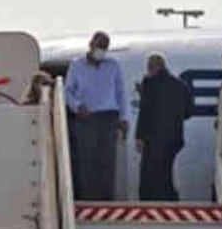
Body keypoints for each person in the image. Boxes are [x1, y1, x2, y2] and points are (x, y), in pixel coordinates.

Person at [65, 31, 129, 201]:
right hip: (86, 118)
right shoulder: (76, 65)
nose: (101, 50)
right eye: (99, 46)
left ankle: (107, 200)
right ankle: (88, 199)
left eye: (104, 47)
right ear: (91, 45)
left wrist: (124, 118)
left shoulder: (113, 65)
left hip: (109, 117)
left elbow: (121, 92)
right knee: (87, 161)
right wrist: (77, 106)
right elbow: (67, 91)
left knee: (107, 162)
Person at [135, 53, 191, 201]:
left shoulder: (149, 82)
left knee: (148, 175)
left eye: (149, 67)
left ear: (154, 67)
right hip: (174, 139)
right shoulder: (181, 85)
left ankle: (150, 203)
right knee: (166, 172)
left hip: (154, 139)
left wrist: (139, 136)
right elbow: (188, 112)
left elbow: (145, 111)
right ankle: (170, 200)